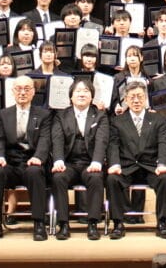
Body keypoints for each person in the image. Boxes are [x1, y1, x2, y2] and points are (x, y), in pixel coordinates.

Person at [0, 75, 52, 241]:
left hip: (32, 161)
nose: (22, 92)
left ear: (33, 92)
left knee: (35, 172)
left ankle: (39, 223)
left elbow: (45, 139)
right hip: (10, 163)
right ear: (12, 91)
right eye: (18, 89)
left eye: (27, 89)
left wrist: (38, 157)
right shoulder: (3, 114)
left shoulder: (44, 114)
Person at [106, 81, 166, 240]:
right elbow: (113, 145)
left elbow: (164, 143)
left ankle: (162, 223)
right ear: (126, 100)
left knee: (165, 179)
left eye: (140, 96)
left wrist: (162, 164)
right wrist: (115, 164)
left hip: (150, 167)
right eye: (132, 97)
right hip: (127, 167)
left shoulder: (158, 119)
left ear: (146, 99)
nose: (136, 100)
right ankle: (118, 223)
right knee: (112, 179)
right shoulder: (117, 121)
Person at [50, 77, 109, 241]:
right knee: (58, 177)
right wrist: (58, 160)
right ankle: (63, 224)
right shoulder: (61, 115)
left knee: (96, 178)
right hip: (68, 163)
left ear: (92, 96)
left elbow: (102, 139)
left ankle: (93, 223)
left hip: (90, 163)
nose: (82, 94)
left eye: (86, 91)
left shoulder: (100, 115)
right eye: (78, 91)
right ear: (71, 96)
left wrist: (97, 161)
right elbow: (57, 138)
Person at [112, 44, 148, 115]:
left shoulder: (147, 78)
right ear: (126, 59)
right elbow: (114, 99)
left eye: (135, 55)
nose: (132, 59)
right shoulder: (118, 78)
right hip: (125, 114)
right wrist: (117, 107)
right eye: (129, 56)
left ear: (141, 58)